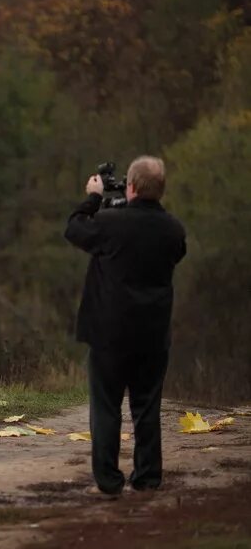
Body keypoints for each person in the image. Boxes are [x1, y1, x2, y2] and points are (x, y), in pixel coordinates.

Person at [65, 156, 186, 496]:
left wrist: (93, 197)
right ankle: (147, 478)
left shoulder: (108, 223)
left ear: (130, 186)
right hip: (152, 334)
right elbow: (176, 255)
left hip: (109, 334)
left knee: (106, 408)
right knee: (147, 408)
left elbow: (74, 228)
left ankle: (109, 481)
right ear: (160, 190)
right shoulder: (174, 229)